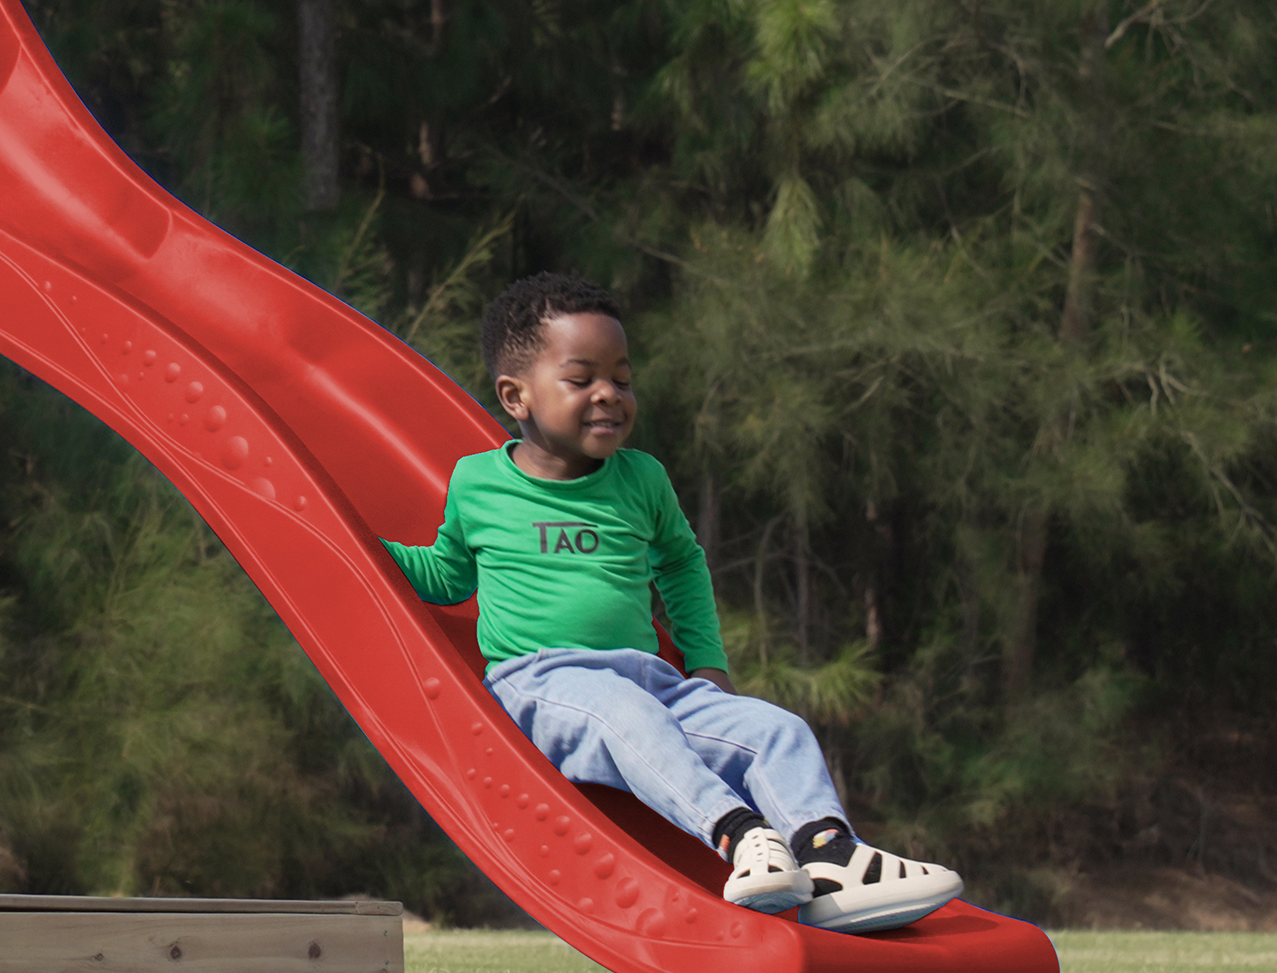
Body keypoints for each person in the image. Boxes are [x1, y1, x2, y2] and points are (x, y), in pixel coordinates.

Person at [389, 272, 961, 934]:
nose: (610, 394)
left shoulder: (642, 478)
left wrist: (706, 664)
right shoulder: (478, 482)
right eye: (582, 379)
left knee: (776, 729)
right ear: (516, 396)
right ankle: (741, 837)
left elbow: (682, 565)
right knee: (625, 714)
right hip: (539, 683)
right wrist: (362, 545)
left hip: (651, 681)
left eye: (623, 379)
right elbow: (447, 575)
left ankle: (830, 856)